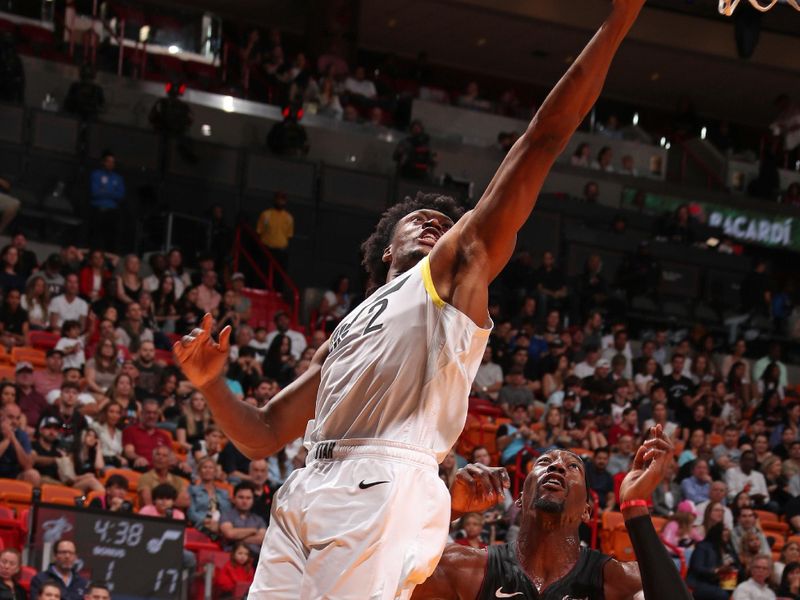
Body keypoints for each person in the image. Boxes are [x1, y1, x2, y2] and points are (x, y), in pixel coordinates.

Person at [175, 0, 651, 596]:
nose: (434, 226)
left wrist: (617, 23)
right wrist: (212, 385)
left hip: (383, 481)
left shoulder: (450, 275)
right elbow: (265, 433)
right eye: (420, 219)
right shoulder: (348, 328)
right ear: (383, 248)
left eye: (442, 223)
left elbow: (542, 139)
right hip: (307, 487)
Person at [413, 426, 690, 599]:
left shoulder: (617, 580)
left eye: (573, 467)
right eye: (544, 462)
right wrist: (449, 509)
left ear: (587, 511)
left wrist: (634, 508)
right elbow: (383, 575)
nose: (556, 467)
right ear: (520, 499)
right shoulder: (468, 567)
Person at [687, 523, 742, 600]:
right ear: (716, 532)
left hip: (725, 583)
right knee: (722, 595)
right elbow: (697, 568)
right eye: (724, 530)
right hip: (701, 583)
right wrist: (717, 570)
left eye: (728, 530)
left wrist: (733, 568)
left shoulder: (728, 549)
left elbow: (738, 566)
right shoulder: (703, 547)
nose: (727, 533)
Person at [88, 152, 124, 253]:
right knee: (95, 237)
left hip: (112, 211)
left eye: (113, 162)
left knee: (111, 237)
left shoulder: (118, 178)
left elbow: (120, 195)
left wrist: (104, 191)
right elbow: (95, 193)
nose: (111, 164)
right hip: (97, 210)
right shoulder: (96, 174)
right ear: (103, 162)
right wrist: (112, 192)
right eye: (108, 161)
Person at [219, 481, 267, 556]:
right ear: (234, 499)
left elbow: (263, 539)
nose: (244, 501)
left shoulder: (258, 519)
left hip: (255, 558)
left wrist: (236, 538)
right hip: (232, 557)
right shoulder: (226, 515)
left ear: (253, 500)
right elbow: (229, 534)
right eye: (241, 497)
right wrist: (253, 530)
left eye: (248, 498)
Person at [255, 192, 294, 278]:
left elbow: (289, 236)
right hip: (266, 249)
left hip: (281, 252)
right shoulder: (265, 215)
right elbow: (259, 231)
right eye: (278, 199)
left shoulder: (289, 218)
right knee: (263, 274)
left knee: (279, 275)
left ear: (285, 202)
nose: (280, 202)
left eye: (282, 200)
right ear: (274, 200)